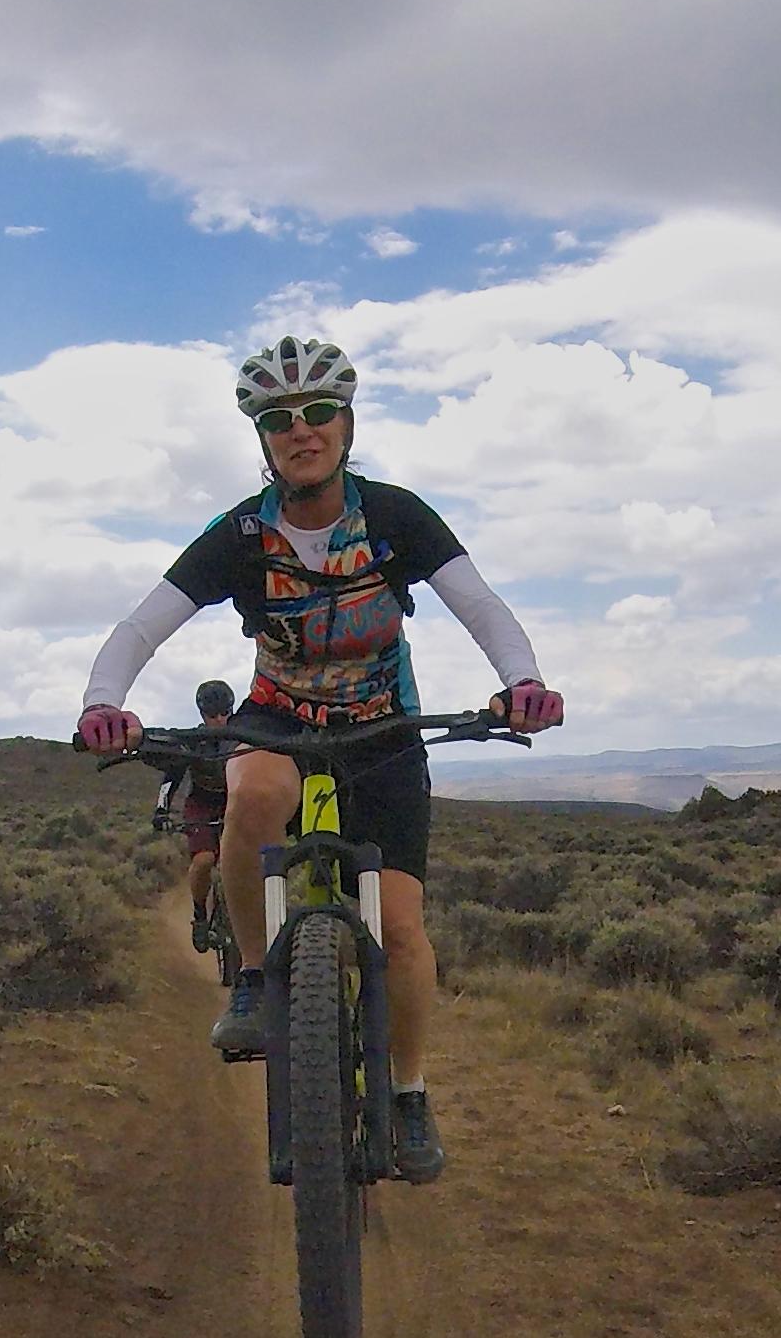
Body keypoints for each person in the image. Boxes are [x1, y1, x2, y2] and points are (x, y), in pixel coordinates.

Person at [77, 335, 562, 1184]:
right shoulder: (238, 536)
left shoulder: (395, 516)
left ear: (345, 423)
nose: (301, 431)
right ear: (261, 439)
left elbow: (479, 605)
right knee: (253, 788)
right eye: (279, 420)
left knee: (402, 930)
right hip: (281, 718)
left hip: (383, 729)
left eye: (317, 414)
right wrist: (102, 701)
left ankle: (407, 1095)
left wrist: (520, 681)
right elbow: (140, 626)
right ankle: (258, 981)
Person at [148, 679, 236, 952]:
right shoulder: (193, 743)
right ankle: (200, 914)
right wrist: (161, 809)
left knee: (247, 862)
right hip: (201, 803)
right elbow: (172, 777)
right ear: (202, 715)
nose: (220, 720)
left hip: (236, 801)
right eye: (213, 715)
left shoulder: (243, 737)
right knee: (204, 861)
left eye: (225, 713)